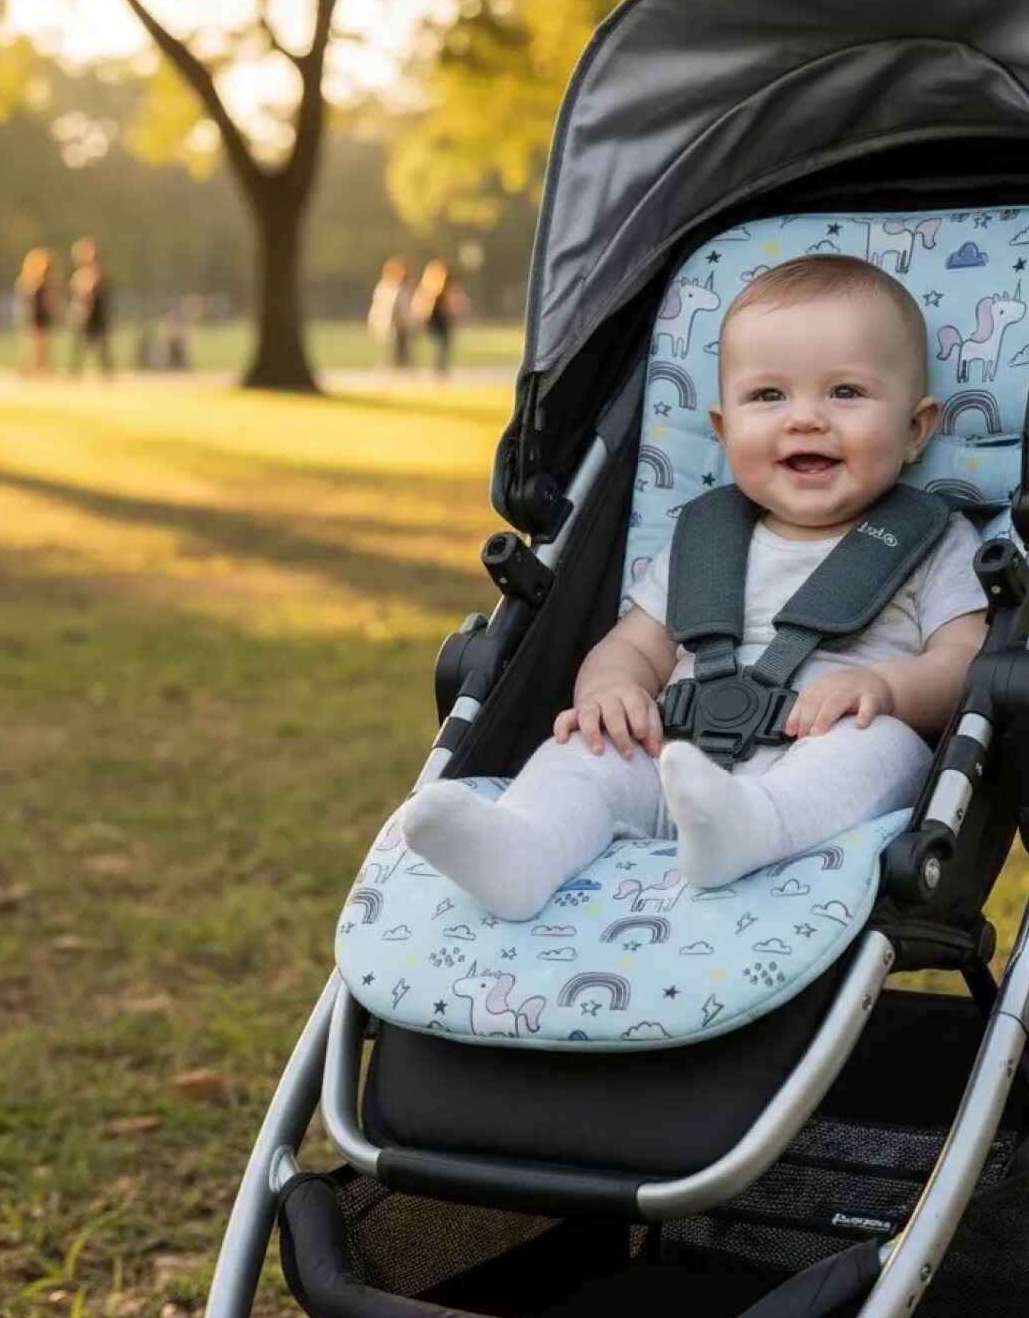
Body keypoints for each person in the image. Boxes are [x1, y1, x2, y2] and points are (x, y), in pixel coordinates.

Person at [400, 255, 989, 921]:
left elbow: (967, 661)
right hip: (678, 757)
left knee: (883, 747)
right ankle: (524, 848)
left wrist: (888, 688)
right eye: (768, 396)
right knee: (586, 752)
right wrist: (612, 692)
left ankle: (753, 827)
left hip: (827, 755)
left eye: (846, 392)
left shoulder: (932, 542)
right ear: (723, 430)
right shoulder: (704, 541)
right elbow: (635, 647)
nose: (805, 419)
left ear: (915, 429)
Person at [409, 258, 468, 375]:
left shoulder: (431, 283)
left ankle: (439, 367)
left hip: (437, 317)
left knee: (442, 343)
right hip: (436, 317)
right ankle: (439, 368)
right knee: (443, 343)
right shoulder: (437, 284)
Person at [68, 237, 114, 376]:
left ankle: (105, 370)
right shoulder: (82, 275)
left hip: (98, 313)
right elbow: (81, 291)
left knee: (102, 345)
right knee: (80, 344)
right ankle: (75, 370)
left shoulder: (99, 273)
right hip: (85, 314)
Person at [16, 248, 63, 377]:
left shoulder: (29, 283)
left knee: (39, 346)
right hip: (36, 317)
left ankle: (38, 368)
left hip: (39, 317)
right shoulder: (36, 285)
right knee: (36, 346)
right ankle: (34, 369)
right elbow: (48, 301)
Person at [368, 257, 415, 368]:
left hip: (399, 325)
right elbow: (391, 308)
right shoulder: (390, 288)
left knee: (400, 350)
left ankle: (400, 366)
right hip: (392, 325)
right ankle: (394, 367)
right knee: (393, 351)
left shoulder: (400, 288)